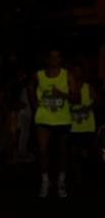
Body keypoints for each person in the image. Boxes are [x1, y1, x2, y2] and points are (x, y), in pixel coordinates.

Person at [29, 48, 76, 198]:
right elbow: (30, 86)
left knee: (62, 151)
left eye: (57, 57)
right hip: (44, 117)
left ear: (61, 60)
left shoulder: (67, 75)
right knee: (43, 150)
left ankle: (61, 182)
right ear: (47, 59)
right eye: (52, 57)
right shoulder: (39, 75)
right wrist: (34, 102)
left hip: (62, 118)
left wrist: (61, 94)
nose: (54, 60)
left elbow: (76, 98)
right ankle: (45, 182)